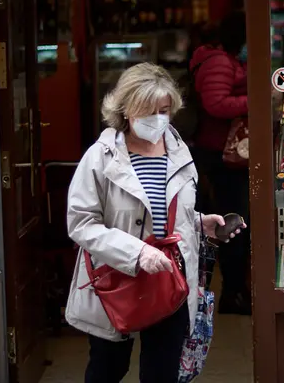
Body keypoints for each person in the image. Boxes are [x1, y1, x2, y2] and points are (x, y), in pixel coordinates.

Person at [65, 63, 243, 383]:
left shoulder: (179, 151)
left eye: (164, 110)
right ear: (125, 110)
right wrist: (137, 253)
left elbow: (170, 211)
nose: (157, 119)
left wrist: (200, 224)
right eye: (148, 111)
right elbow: (81, 222)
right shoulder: (101, 157)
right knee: (108, 369)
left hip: (167, 279)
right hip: (114, 281)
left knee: (162, 372)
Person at [189, 10, 252, 315]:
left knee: (235, 222)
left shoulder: (229, 60)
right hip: (219, 156)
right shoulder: (218, 62)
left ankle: (235, 290)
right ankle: (230, 293)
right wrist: (255, 100)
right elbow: (215, 103)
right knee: (231, 224)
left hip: (229, 154)